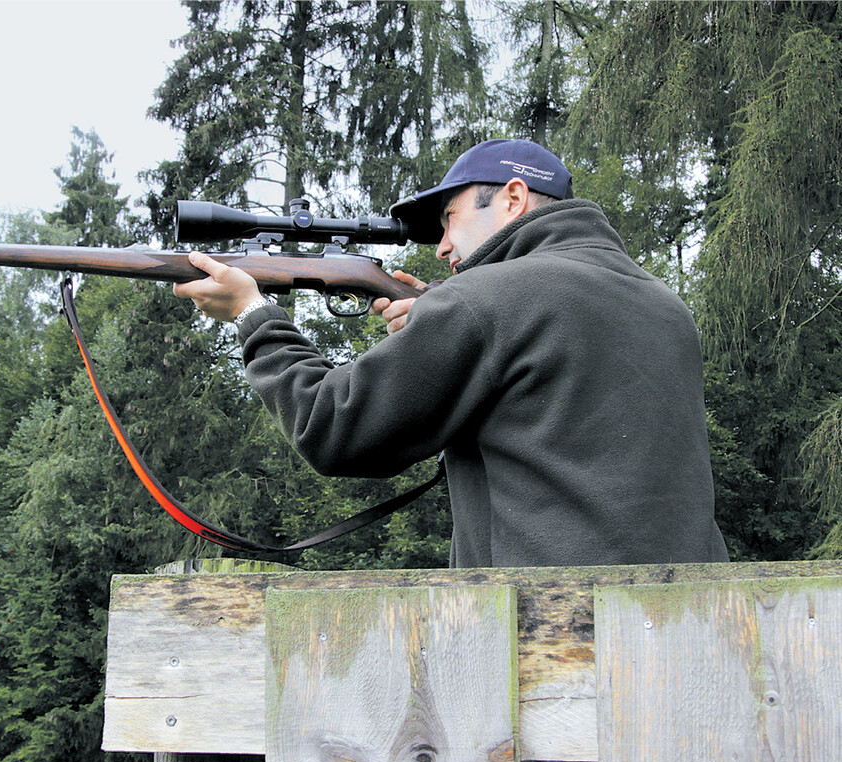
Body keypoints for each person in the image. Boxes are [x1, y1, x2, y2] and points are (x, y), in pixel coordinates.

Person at [172, 139, 729, 569]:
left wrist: (253, 314)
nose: (441, 247)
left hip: (547, 639)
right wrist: (440, 326)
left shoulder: (485, 300)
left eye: (451, 218)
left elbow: (330, 426)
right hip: (690, 625)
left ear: (513, 198)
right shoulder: (664, 305)